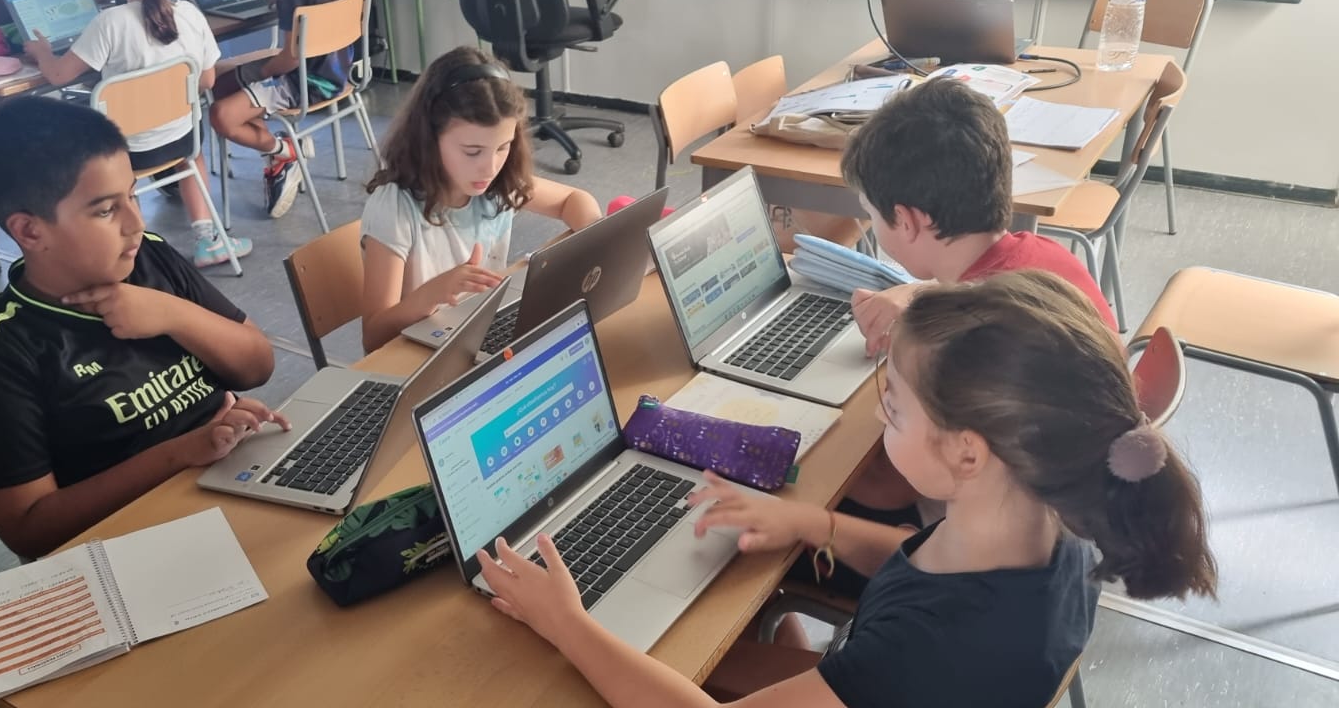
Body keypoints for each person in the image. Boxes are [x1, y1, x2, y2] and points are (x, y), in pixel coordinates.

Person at [475, 270, 1218, 708]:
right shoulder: (1047, 529)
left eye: (893, 407)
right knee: (731, 628)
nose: (880, 416)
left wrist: (566, 623)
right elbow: (921, 562)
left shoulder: (927, 650)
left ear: (967, 452)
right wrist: (814, 524)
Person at [0, 97, 282, 559]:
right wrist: (180, 453)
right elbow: (28, 530)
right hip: (133, 543)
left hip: (234, 479)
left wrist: (173, 314)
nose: (136, 224)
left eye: (133, 195)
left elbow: (258, 366)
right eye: (105, 211)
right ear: (30, 231)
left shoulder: (151, 259)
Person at [842, 78, 1118, 358]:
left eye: (870, 212)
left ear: (905, 221)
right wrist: (918, 294)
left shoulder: (957, 343)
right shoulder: (1046, 253)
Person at [357, 46, 602, 353]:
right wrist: (434, 293)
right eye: (472, 152)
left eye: (503, 147)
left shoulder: (498, 184)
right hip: (417, 355)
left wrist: (600, 238)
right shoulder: (394, 209)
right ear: (429, 138)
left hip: (474, 331)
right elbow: (374, 337)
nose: (490, 167)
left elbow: (574, 200)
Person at [24, 0, 247, 268]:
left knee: (91, 135)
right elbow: (207, 81)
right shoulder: (190, 13)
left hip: (127, 155)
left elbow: (58, 75)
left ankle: (139, 254)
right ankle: (207, 240)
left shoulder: (108, 22)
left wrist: (42, 52)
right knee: (193, 157)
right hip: (182, 140)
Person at [208, 0, 355, 220]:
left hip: (305, 81)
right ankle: (276, 156)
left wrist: (262, 74)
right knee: (223, 85)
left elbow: (291, 58)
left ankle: (285, 152)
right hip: (337, 71)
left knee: (220, 115)